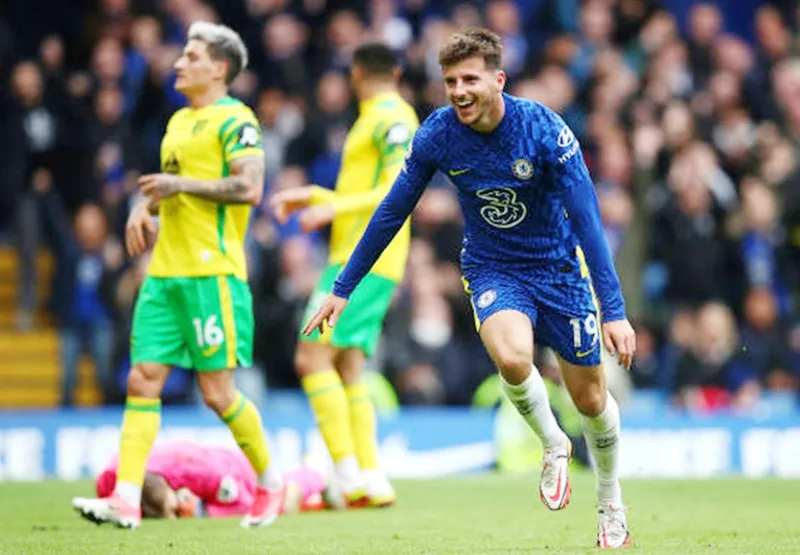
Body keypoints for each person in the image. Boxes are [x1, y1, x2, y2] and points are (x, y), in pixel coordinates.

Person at [303, 28, 635, 549]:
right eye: (450, 80)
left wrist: (612, 309)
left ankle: (611, 500)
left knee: (591, 400)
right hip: (493, 268)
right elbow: (393, 209)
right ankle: (553, 444)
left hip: (559, 272)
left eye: (470, 79)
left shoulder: (544, 130)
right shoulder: (438, 134)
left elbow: (588, 220)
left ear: (498, 80)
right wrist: (344, 286)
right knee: (511, 356)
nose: (458, 90)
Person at [72, 21, 283, 530]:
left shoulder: (237, 120)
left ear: (219, 67)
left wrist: (176, 184)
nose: (178, 63)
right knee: (142, 380)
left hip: (212, 276)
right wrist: (145, 210)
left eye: (191, 56)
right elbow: (179, 199)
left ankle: (272, 483)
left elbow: (249, 188)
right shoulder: (177, 124)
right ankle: (125, 498)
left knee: (217, 394)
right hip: (164, 276)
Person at [270, 43, 419, 507]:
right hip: (365, 257)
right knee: (347, 364)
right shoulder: (377, 116)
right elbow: (369, 188)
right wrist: (318, 194)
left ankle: (347, 471)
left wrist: (333, 206)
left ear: (355, 72)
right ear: (394, 70)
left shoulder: (392, 116)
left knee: (309, 358)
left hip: (364, 260)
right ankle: (370, 476)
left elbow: (398, 188)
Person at [78, 440, 332, 520]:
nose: (174, 514)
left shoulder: (200, 472)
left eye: (172, 507)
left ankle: (316, 472)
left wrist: (203, 510)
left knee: (281, 504)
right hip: (196, 468)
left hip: (235, 469)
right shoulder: (113, 478)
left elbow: (241, 502)